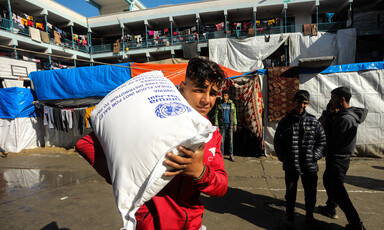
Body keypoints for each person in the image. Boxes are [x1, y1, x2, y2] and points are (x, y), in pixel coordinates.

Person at [75, 57, 228, 230]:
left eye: (213, 93)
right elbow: (86, 144)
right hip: (152, 223)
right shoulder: (154, 119)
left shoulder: (211, 134)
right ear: (183, 88)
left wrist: (200, 172)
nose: (206, 100)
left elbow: (221, 187)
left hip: (191, 224)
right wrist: (127, 178)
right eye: (199, 90)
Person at [274, 90, 326, 230]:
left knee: (311, 193)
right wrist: (284, 158)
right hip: (291, 165)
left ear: (307, 103)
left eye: (305, 103)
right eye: (299, 102)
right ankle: (290, 220)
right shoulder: (285, 122)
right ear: (293, 101)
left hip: (309, 165)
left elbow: (322, 140)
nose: (301, 106)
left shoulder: (313, 121)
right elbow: (278, 142)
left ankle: (309, 216)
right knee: (290, 194)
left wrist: (315, 155)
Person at [317, 87, 368, 230]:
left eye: (333, 98)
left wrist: (324, 126)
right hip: (337, 157)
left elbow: (333, 140)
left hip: (338, 159)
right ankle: (330, 207)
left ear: (342, 99)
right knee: (328, 181)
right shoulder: (343, 115)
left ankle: (356, 224)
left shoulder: (345, 119)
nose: (331, 101)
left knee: (340, 192)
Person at [214, 90, 237, 161]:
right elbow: (216, 115)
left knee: (230, 141)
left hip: (230, 125)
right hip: (222, 125)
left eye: (225, 95)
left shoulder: (231, 104)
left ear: (228, 96)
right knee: (222, 141)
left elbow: (234, 114)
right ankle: (221, 155)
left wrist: (235, 124)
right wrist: (216, 125)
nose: (224, 97)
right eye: (223, 95)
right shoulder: (219, 105)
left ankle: (231, 155)